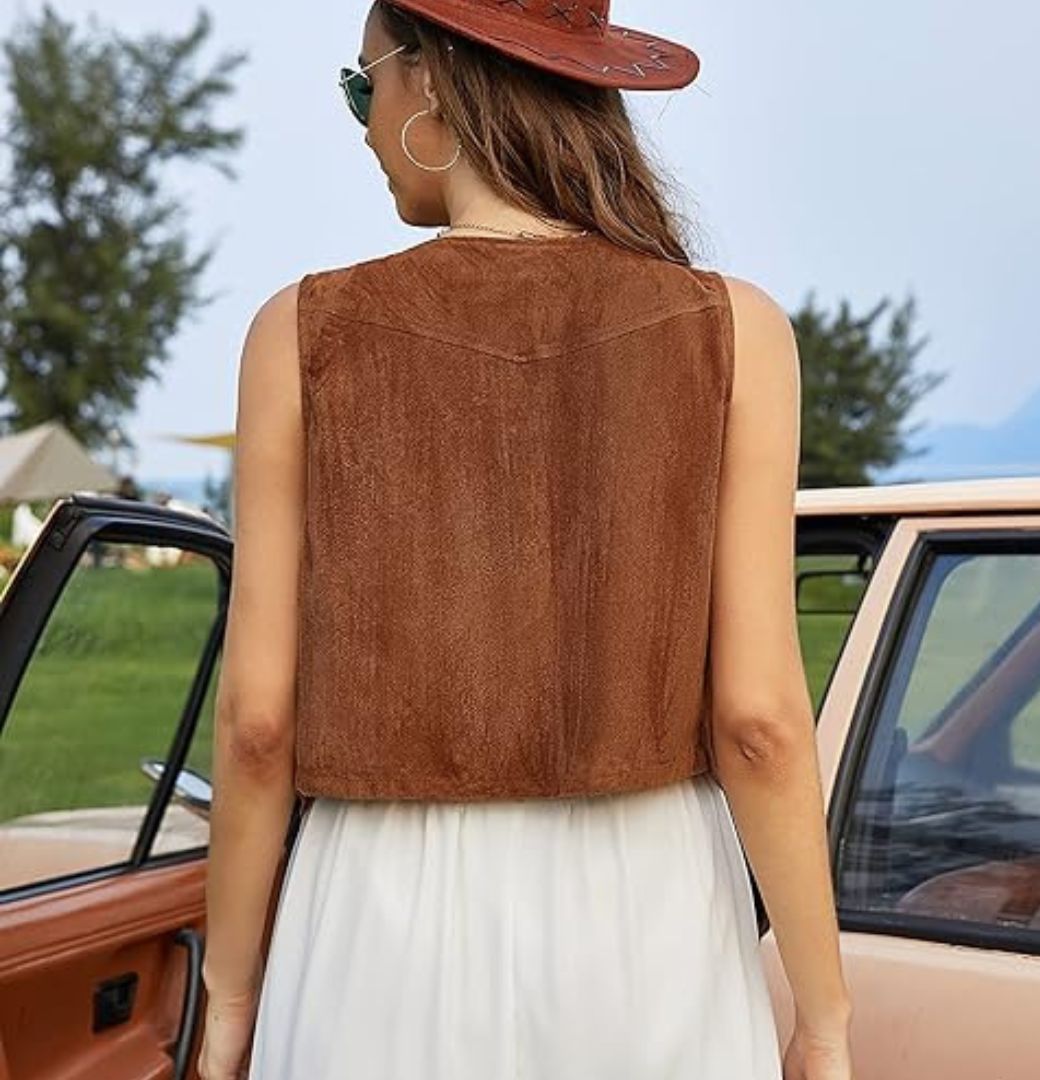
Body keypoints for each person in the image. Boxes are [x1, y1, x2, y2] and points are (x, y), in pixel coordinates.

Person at [197, 2, 854, 1078]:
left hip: (374, 917)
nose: (362, 122)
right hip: (649, 919)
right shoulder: (735, 330)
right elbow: (760, 724)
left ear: (432, 81)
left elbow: (258, 726)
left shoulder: (300, 334)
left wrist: (230, 997)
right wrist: (823, 1020)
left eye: (363, 85)